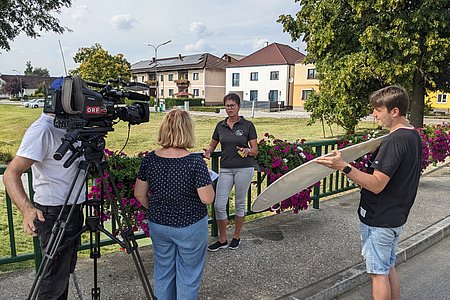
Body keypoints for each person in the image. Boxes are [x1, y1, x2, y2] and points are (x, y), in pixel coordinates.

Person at [316, 85, 422, 300]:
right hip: (395, 216)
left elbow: (376, 184)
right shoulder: (412, 135)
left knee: (378, 274)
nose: (374, 114)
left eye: (378, 110)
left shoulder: (394, 140)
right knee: (388, 267)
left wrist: (344, 167)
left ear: (394, 111)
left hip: (379, 219)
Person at [2, 112, 86, 300]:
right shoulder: (42, 130)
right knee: (53, 279)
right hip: (54, 214)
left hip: (73, 210)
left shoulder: (69, 125)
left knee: (62, 273)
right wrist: (27, 209)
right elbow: (10, 174)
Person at [134, 108, 215, 300]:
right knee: (189, 274)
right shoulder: (195, 161)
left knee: (163, 271)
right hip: (190, 225)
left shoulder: (150, 159)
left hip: (159, 224)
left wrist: (156, 208)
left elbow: (139, 194)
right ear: (187, 130)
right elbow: (207, 198)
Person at [204, 93, 258, 251]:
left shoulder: (248, 125)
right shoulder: (220, 125)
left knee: (240, 204)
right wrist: (208, 152)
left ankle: (236, 237)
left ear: (239, 107)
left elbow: (255, 150)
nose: (229, 109)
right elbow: (212, 145)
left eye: (232, 106)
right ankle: (222, 239)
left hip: (244, 169)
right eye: (227, 106)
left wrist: (247, 150)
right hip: (226, 169)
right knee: (219, 205)